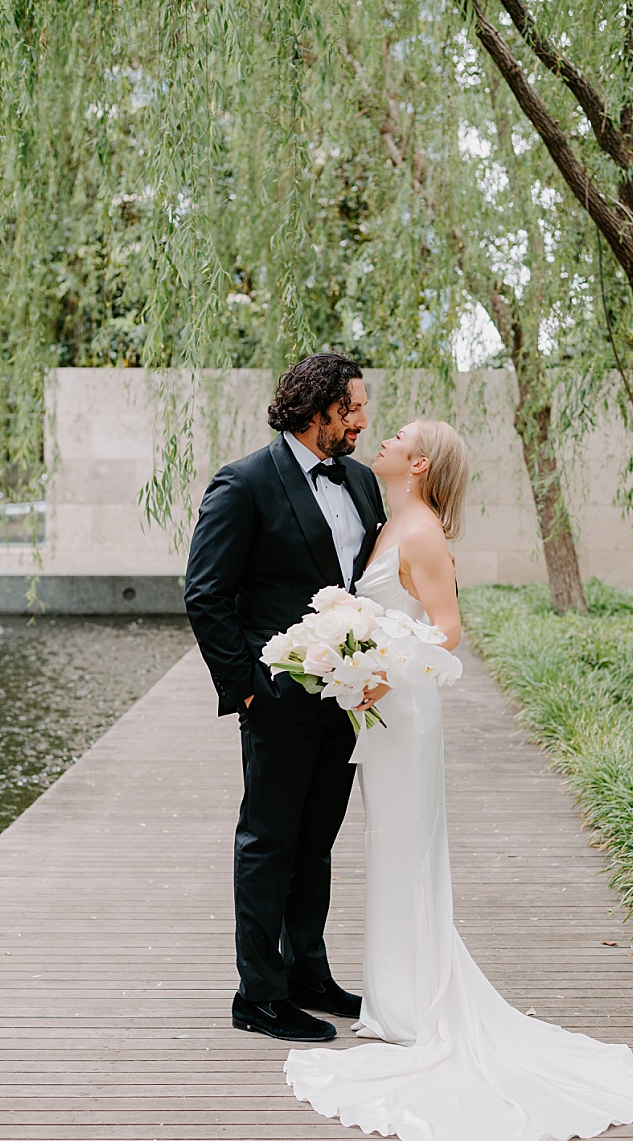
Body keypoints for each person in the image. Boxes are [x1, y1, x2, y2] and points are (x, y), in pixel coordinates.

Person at [280, 421, 633, 1141]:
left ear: (417, 463)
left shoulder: (420, 533)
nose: (378, 439)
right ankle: (394, 1000)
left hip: (405, 709)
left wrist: (379, 663)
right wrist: (353, 659)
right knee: (389, 850)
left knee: (408, 849)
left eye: (395, 437)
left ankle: (417, 1008)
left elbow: (447, 628)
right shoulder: (392, 520)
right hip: (379, 707)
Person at [184, 352, 385, 1043]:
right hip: (276, 699)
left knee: (318, 842)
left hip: (348, 701)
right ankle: (258, 994)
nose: (362, 419)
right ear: (316, 407)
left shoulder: (360, 482)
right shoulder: (244, 483)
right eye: (352, 406)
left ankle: (308, 972)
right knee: (269, 842)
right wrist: (246, 690)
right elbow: (205, 594)